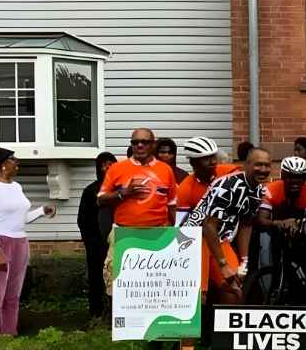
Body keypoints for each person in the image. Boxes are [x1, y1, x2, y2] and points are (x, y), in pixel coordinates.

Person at [180, 147, 274, 350]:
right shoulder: (228, 185)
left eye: (266, 165)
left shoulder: (258, 191)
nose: (262, 169)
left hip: (220, 240)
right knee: (197, 296)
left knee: (234, 290)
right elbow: (208, 226)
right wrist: (223, 265)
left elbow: (247, 224)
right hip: (194, 238)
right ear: (246, 165)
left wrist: (243, 260)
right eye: (257, 164)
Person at [0, 145, 56, 336]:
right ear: (2, 165)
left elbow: (22, 218)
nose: (17, 162)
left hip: (19, 242)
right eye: (13, 159)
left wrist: (42, 211)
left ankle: (10, 336)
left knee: (12, 296)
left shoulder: (16, 187)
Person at [98, 127, 178, 296]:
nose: (139, 145)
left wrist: (175, 233)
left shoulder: (166, 170)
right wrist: (123, 193)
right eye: (135, 142)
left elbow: (172, 204)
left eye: (145, 142)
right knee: (119, 285)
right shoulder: (117, 168)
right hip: (125, 234)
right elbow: (100, 199)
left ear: (153, 145)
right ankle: (120, 321)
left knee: (154, 285)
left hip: (158, 234)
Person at [76, 151, 118, 320]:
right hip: (96, 244)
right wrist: (91, 242)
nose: (107, 167)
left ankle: (116, 314)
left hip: (118, 241)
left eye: (111, 163)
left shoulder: (121, 191)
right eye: (103, 164)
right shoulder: (90, 191)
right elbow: (82, 220)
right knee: (96, 278)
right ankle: (96, 313)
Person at [173, 136, 240, 218]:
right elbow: (182, 227)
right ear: (193, 163)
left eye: (214, 156)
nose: (213, 162)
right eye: (206, 159)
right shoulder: (185, 189)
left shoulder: (230, 172)